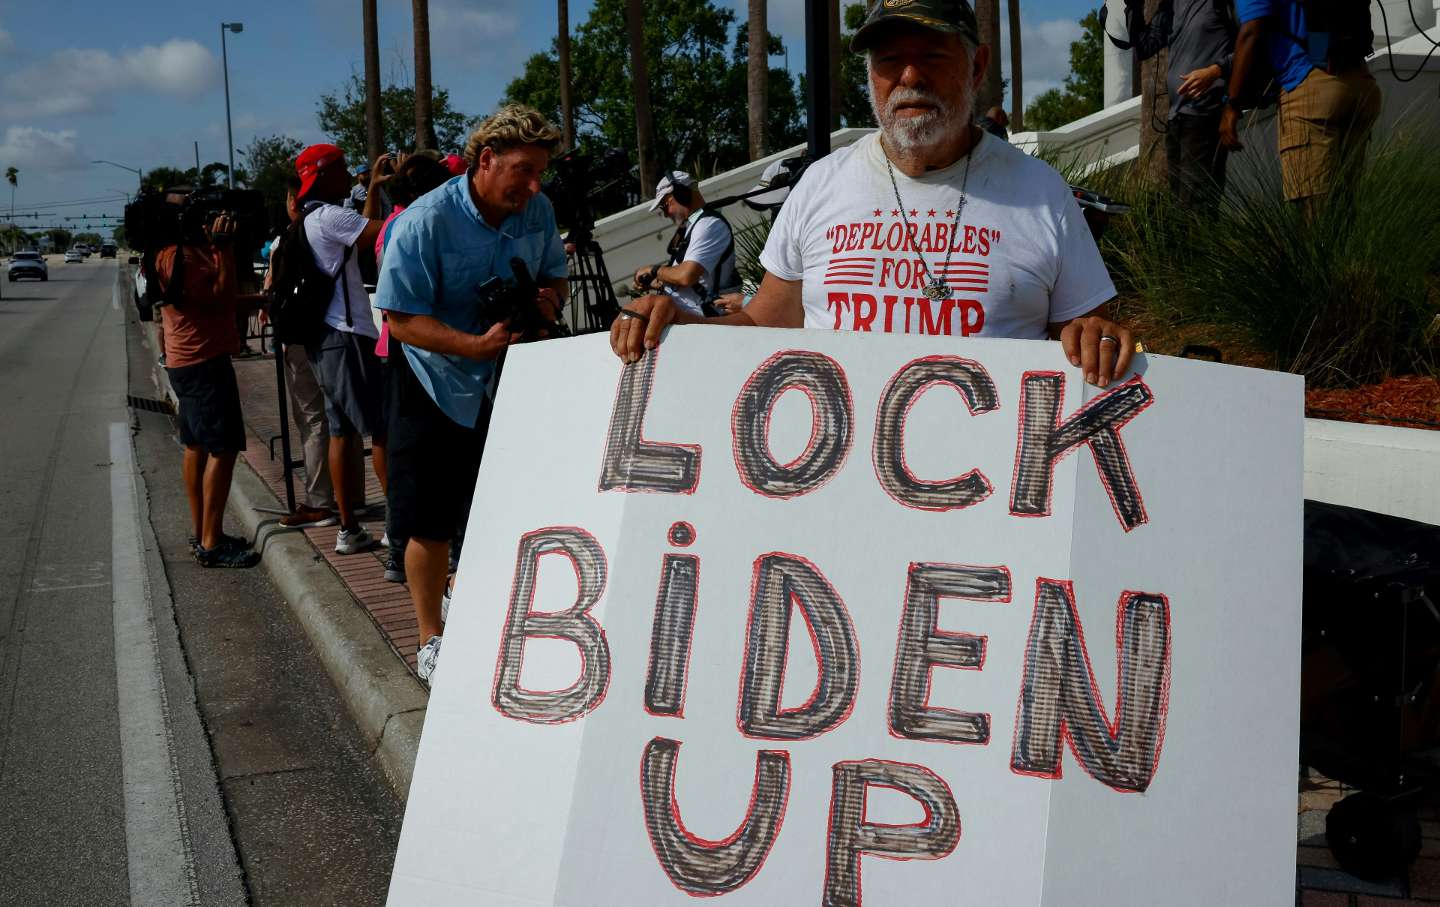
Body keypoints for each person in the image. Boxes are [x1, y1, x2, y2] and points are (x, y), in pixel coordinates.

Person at [612, 0, 1136, 388]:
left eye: (932, 54)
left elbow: (1091, 335)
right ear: (871, 76)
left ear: (976, 68)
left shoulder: (1042, 193)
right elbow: (763, 324)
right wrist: (681, 324)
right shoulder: (821, 183)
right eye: (889, 60)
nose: (909, 75)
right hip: (837, 491)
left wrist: (1099, 338)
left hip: (985, 499)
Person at [376, 104, 568, 685]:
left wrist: (548, 302)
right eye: (524, 171)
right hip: (433, 382)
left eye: (541, 174)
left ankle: (478, 610)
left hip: (507, 380)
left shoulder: (537, 208)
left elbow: (555, 273)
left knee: (500, 510)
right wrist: (470, 344)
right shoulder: (424, 221)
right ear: (486, 161)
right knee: (429, 522)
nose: (534, 186)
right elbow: (399, 318)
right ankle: (429, 638)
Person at [293, 144, 392, 554]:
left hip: (323, 339)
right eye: (341, 169)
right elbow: (382, 232)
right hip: (347, 334)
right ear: (325, 174)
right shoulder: (331, 216)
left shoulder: (307, 219)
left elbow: (363, 224)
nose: (348, 174)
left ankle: (349, 529)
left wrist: (371, 187)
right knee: (382, 428)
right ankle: (399, 526)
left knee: (341, 431)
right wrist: (401, 193)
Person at [155, 198, 262, 568]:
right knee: (223, 448)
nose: (209, 222)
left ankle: (203, 531)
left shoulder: (173, 254)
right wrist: (225, 249)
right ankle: (212, 544)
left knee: (197, 444)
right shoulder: (181, 258)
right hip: (203, 364)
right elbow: (221, 297)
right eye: (199, 217)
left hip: (188, 360)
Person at [371, 152, 454, 584]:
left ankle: (396, 545)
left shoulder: (390, 224)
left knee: (397, 448)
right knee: (423, 462)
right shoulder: (421, 224)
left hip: (390, 345)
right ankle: (415, 548)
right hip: (417, 346)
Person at [1219, 0, 1381, 212]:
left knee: (1313, 210)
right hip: (1360, 83)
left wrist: (1232, 106)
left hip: (1312, 87)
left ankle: (1320, 246)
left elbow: (1252, 32)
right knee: (1344, 203)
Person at [264, 175, 360, 530]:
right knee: (342, 419)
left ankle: (320, 500)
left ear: (293, 199)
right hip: (333, 332)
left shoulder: (291, 238)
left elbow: (275, 292)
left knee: (314, 419)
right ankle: (352, 497)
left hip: (301, 339)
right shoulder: (325, 229)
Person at [1121, 0, 1236, 206]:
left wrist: (1215, 71)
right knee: (1180, 206)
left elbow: (1251, 45)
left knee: (1197, 204)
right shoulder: (1170, 6)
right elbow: (1146, 47)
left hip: (1206, 115)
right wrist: (1134, 7)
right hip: (1175, 118)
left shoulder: (1221, 3)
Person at [631, 172, 738, 318]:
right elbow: (683, 275)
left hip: (700, 320)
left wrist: (654, 270)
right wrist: (655, 280)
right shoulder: (694, 225)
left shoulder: (709, 225)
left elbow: (686, 276)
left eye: (664, 206)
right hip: (685, 315)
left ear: (681, 194)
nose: (666, 214)